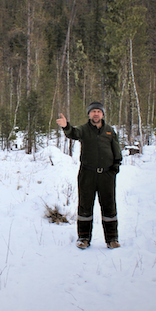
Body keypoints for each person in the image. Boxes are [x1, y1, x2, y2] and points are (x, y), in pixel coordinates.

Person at [56, 101, 122, 249]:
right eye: (93, 111)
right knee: (85, 206)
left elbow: (117, 151)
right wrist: (66, 126)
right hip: (87, 174)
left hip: (106, 175)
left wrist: (114, 169)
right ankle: (83, 238)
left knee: (109, 206)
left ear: (103, 114)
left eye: (99, 111)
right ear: (89, 114)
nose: (96, 114)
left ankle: (112, 239)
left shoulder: (110, 131)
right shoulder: (84, 130)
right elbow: (73, 133)